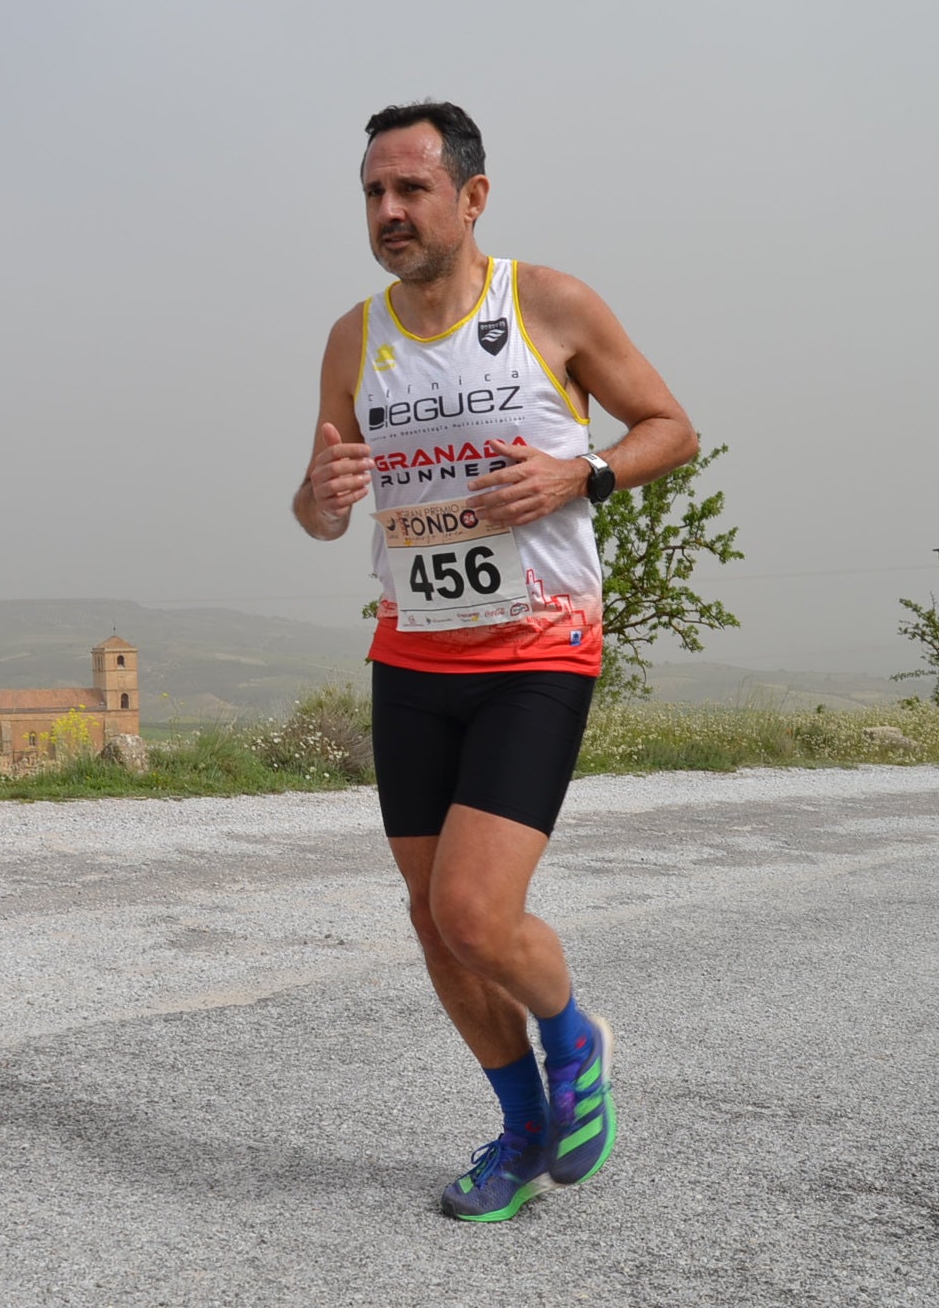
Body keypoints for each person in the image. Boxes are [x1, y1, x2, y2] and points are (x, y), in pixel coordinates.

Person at [292, 102, 697, 1221]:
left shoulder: (550, 305)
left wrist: (588, 476)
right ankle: (522, 1129)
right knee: (433, 924)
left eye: (411, 189)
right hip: (414, 652)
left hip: (538, 643)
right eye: (373, 192)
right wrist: (319, 504)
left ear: (472, 197)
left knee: (475, 914)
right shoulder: (352, 338)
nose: (388, 212)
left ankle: (575, 1036)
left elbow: (670, 425)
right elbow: (320, 502)